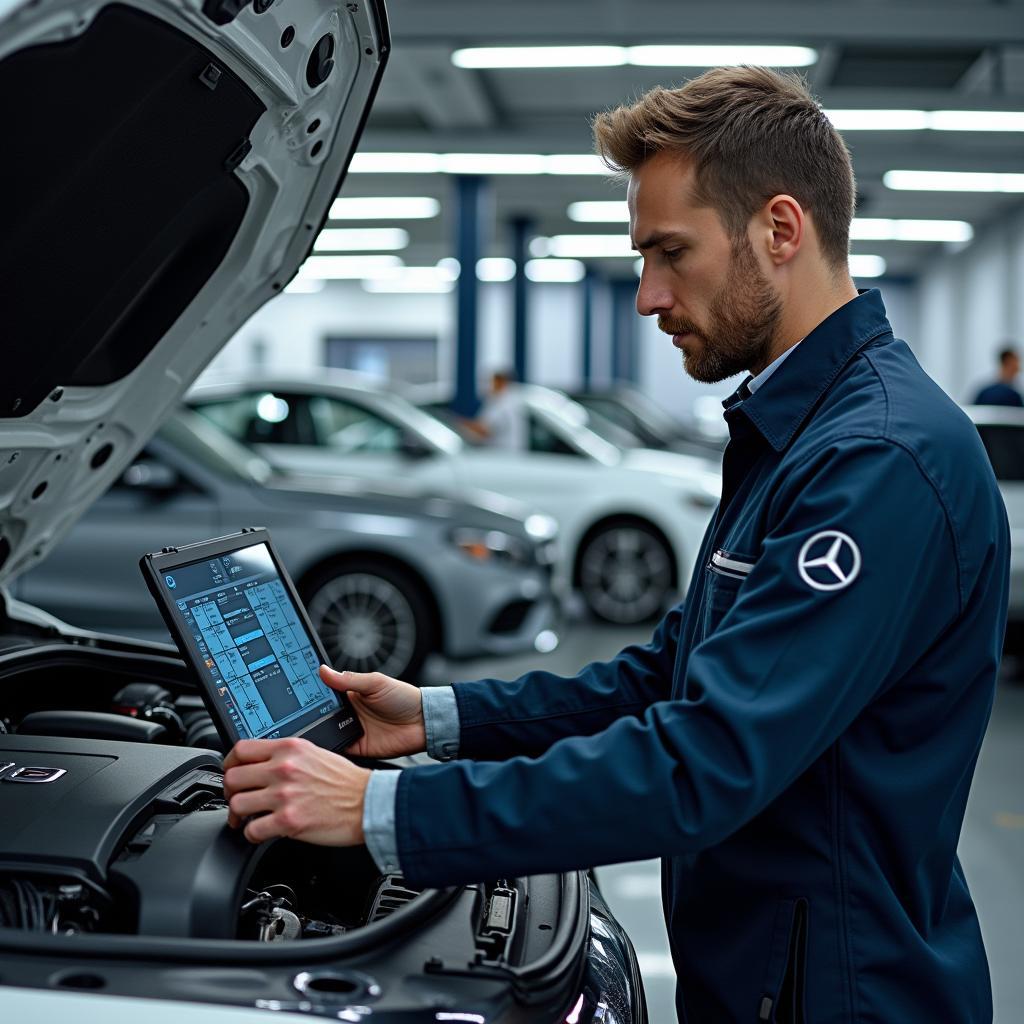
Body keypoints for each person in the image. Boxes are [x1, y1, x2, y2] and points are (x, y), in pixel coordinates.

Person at [223, 67, 1008, 1022]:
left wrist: (383, 812)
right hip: (779, 968)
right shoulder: (800, 431)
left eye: (671, 253)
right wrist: (434, 715)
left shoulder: (876, 461)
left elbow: (705, 760)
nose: (648, 296)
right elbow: (667, 676)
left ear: (781, 229)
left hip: (843, 991)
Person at [464, 369, 527, 450]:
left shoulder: (502, 403)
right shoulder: (513, 399)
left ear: (500, 382)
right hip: (511, 452)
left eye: (490, 381)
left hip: (501, 453)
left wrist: (457, 423)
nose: (487, 385)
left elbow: (484, 430)